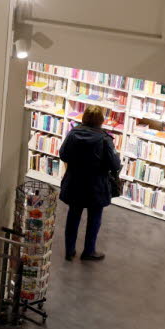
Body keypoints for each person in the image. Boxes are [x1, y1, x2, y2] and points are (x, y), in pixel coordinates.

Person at [58, 105, 121, 262]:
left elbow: (63, 154)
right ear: (101, 121)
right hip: (96, 185)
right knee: (94, 219)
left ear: (84, 118)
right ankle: (89, 251)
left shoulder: (73, 134)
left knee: (73, 217)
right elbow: (115, 164)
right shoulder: (105, 139)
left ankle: (69, 251)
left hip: (75, 182)